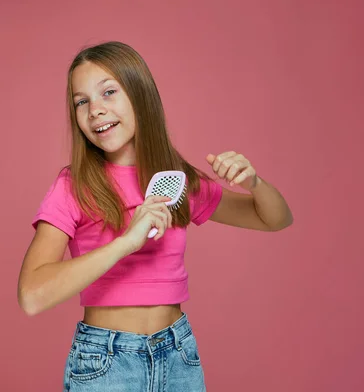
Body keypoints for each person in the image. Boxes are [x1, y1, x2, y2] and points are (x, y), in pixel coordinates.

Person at [17, 41, 293, 392]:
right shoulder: (74, 186)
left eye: (108, 92)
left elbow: (275, 218)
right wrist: (125, 244)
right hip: (106, 364)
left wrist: (254, 183)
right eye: (81, 101)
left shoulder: (177, 180)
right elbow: (32, 295)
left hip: (178, 356)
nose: (96, 110)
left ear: (140, 94)